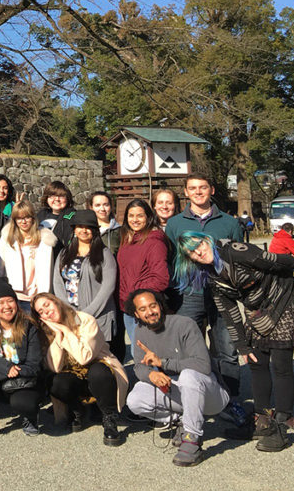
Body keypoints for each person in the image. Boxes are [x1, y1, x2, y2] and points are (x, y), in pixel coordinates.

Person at [174, 232, 294, 451]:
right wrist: (242, 346)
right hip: (258, 312)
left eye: (198, 245)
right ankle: (262, 422)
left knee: (282, 365)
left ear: (206, 240)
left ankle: (283, 426)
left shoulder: (236, 252)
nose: (198, 252)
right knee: (256, 362)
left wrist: (292, 265)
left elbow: (279, 261)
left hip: (284, 300)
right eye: (192, 253)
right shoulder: (213, 278)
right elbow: (230, 314)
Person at [164, 174, 245, 420]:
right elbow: (167, 260)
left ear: (211, 190)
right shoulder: (175, 223)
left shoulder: (229, 223)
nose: (198, 192)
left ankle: (230, 400)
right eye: (192, 188)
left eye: (202, 187)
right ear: (186, 193)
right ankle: (190, 397)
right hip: (188, 295)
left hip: (223, 295)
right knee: (183, 349)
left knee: (227, 350)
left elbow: (240, 260)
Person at [124, 289, 231, 467]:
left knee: (189, 375)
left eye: (153, 305)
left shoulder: (184, 324)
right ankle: (183, 420)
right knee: (135, 399)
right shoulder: (140, 331)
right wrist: (152, 374)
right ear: (136, 313)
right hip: (180, 391)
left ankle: (192, 439)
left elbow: (203, 365)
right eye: (143, 309)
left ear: (160, 305)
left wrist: (163, 364)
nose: (150, 312)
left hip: (211, 394)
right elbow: (139, 366)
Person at [32, 292, 127, 446]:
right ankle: (77, 409)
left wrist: (67, 331)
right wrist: (57, 335)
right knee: (56, 382)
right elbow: (55, 367)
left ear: (56, 302)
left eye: (47, 305)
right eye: (40, 312)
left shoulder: (85, 320)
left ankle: (109, 418)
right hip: (75, 375)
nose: (46, 311)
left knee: (98, 372)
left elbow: (84, 357)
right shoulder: (49, 330)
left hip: (100, 370)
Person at [0, 277, 44, 438]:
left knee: (24, 403)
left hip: (22, 380)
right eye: (0, 303)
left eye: (10, 301)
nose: (6, 306)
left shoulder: (29, 327)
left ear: (16, 303)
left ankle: (30, 417)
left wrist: (2, 373)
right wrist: (3, 366)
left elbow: (34, 365)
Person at [52, 209, 117, 342]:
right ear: (74, 229)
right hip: (70, 316)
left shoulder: (104, 254)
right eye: (80, 226)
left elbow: (107, 288)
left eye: (89, 227)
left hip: (97, 317)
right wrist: (69, 312)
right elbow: (58, 282)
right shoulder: (64, 253)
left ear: (95, 230)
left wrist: (85, 314)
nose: (84, 230)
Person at [115, 198, 169, 352]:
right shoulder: (127, 238)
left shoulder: (154, 241)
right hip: (127, 307)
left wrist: (136, 294)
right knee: (137, 352)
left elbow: (161, 279)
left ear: (148, 217)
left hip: (143, 306)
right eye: (131, 216)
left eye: (140, 216)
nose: (135, 220)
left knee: (146, 352)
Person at [0, 199, 59, 314]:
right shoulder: (7, 239)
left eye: (27, 217)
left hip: (36, 297)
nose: (23, 221)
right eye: (19, 218)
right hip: (13, 296)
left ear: (33, 218)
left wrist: (43, 297)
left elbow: (47, 272)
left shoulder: (44, 240)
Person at [36, 180, 77, 247]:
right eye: (52, 196)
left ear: (67, 198)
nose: (57, 199)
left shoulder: (73, 217)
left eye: (61, 196)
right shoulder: (41, 214)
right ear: (47, 198)